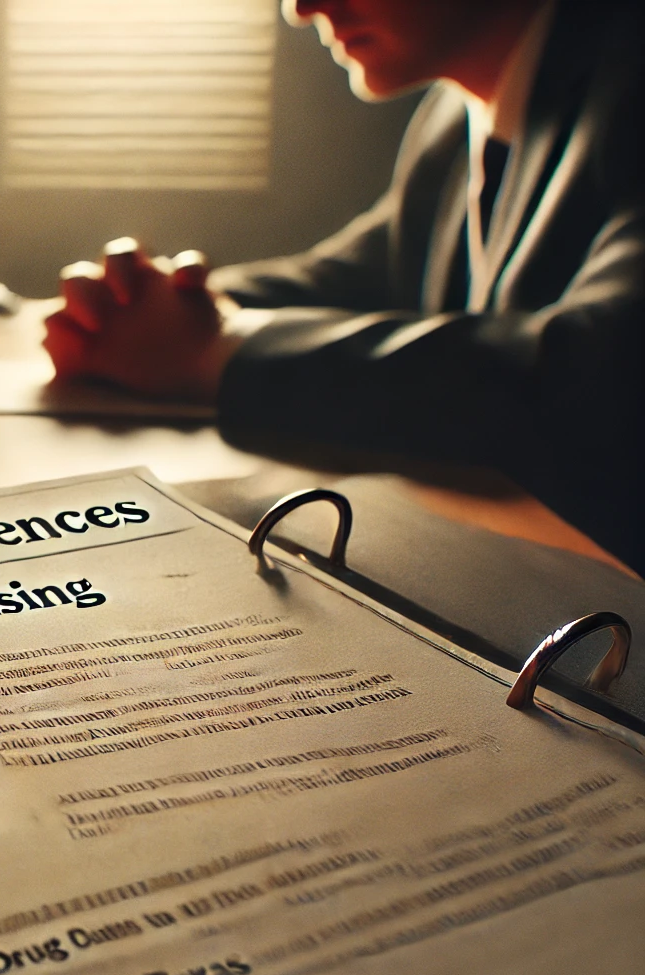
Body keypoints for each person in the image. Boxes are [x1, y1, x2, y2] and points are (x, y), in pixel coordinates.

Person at [43, 0, 643, 570]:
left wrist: (211, 349)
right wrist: (151, 310)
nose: (301, 7)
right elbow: (361, 275)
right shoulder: (456, 110)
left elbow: (598, 374)